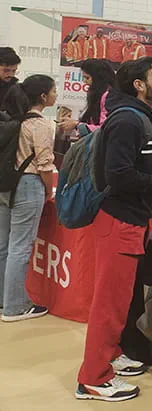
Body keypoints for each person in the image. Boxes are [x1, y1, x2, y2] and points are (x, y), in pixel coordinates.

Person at [75, 58, 152, 402]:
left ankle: (110, 355)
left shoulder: (143, 115)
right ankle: (93, 378)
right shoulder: (126, 120)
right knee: (109, 304)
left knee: (121, 300)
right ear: (139, 85)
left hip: (132, 220)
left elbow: (133, 167)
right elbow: (118, 175)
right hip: (119, 222)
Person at [0, 75, 57, 322]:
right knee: (20, 247)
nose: (56, 95)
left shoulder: (15, 121)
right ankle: (15, 307)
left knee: (3, 245)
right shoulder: (40, 125)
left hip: (6, 184)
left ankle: (4, 299)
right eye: (53, 91)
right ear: (43, 96)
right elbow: (44, 164)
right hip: (28, 184)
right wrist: (48, 189)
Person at [58, 59, 115, 135]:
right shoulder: (97, 95)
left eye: (87, 78)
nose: (85, 81)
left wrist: (77, 125)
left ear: (98, 78)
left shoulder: (108, 96)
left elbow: (105, 128)